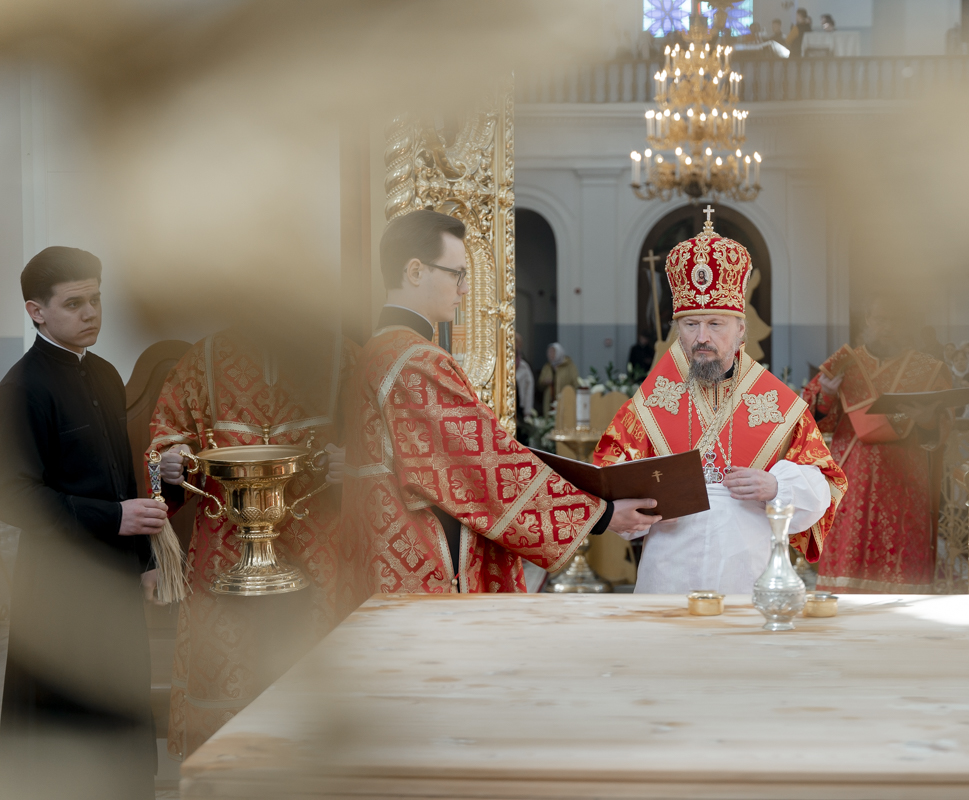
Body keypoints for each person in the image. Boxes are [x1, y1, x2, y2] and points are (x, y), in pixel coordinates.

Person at [341, 209, 655, 597]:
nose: (464, 289)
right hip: (421, 568)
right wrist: (600, 515)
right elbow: (484, 466)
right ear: (416, 271)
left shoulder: (377, 350)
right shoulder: (415, 361)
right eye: (456, 274)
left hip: (385, 557)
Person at [593, 217, 847, 594]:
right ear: (677, 329)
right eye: (690, 325)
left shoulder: (778, 406)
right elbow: (609, 477)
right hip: (667, 577)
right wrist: (634, 510)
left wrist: (776, 485)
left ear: (741, 329)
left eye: (715, 324)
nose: (702, 338)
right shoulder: (648, 406)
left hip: (747, 575)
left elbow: (824, 484)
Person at [148, 322, 359, 759]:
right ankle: (227, 771)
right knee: (229, 666)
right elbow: (169, 432)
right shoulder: (203, 360)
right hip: (225, 544)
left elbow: (377, 437)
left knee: (314, 663)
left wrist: (351, 463)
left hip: (317, 539)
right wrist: (172, 460)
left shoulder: (343, 357)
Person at [0, 247, 163, 799]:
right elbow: (14, 497)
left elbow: (122, 479)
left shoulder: (107, 374)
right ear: (36, 311)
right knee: (70, 729)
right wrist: (113, 517)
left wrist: (144, 560)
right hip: (58, 588)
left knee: (122, 711)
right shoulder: (22, 387)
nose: (91, 313)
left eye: (95, 299)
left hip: (114, 577)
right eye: (74, 303)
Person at [801, 297, 953, 593]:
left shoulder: (927, 370)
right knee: (847, 560)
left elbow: (942, 426)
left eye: (894, 320)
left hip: (905, 482)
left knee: (901, 562)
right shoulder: (845, 364)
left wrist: (927, 421)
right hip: (852, 481)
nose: (887, 327)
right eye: (880, 320)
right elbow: (808, 420)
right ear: (868, 321)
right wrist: (827, 396)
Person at [537, 341, 578, 415]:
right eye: (549, 352)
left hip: (565, 398)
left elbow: (575, 382)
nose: (550, 354)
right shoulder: (547, 367)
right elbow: (540, 384)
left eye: (553, 352)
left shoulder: (569, 366)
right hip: (550, 400)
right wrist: (544, 382)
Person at [514, 333, 535, 417]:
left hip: (520, 407)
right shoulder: (499, 364)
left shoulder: (524, 366)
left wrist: (527, 410)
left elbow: (528, 389)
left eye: (517, 341)